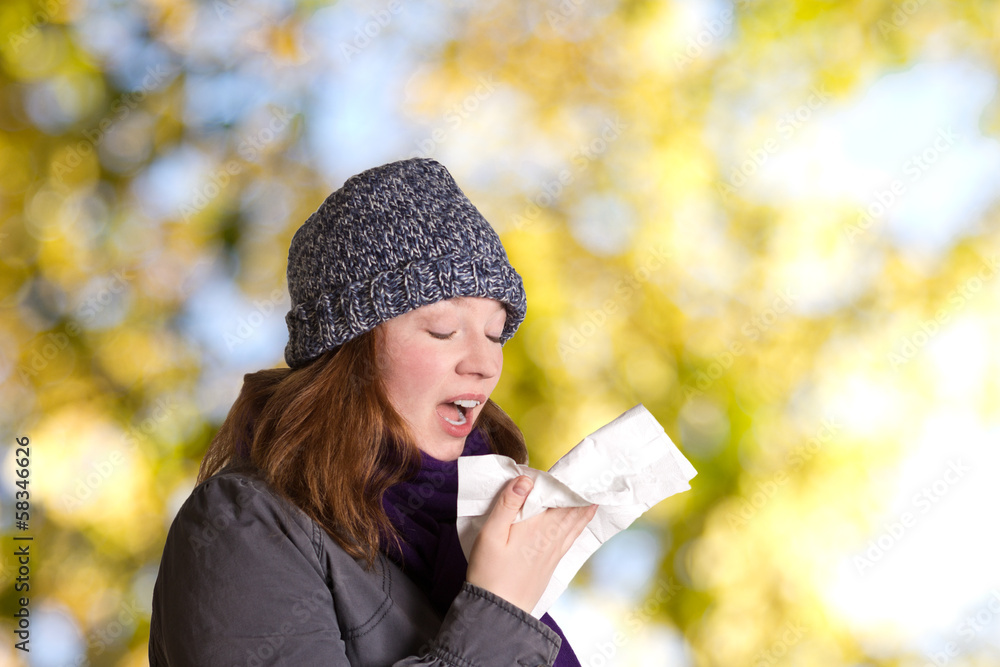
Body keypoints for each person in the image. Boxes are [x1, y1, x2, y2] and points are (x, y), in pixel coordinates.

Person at [149, 157, 599, 666]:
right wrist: (497, 611)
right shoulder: (243, 528)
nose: (485, 363)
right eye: (442, 330)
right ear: (350, 354)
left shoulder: (467, 542)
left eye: (496, 334)